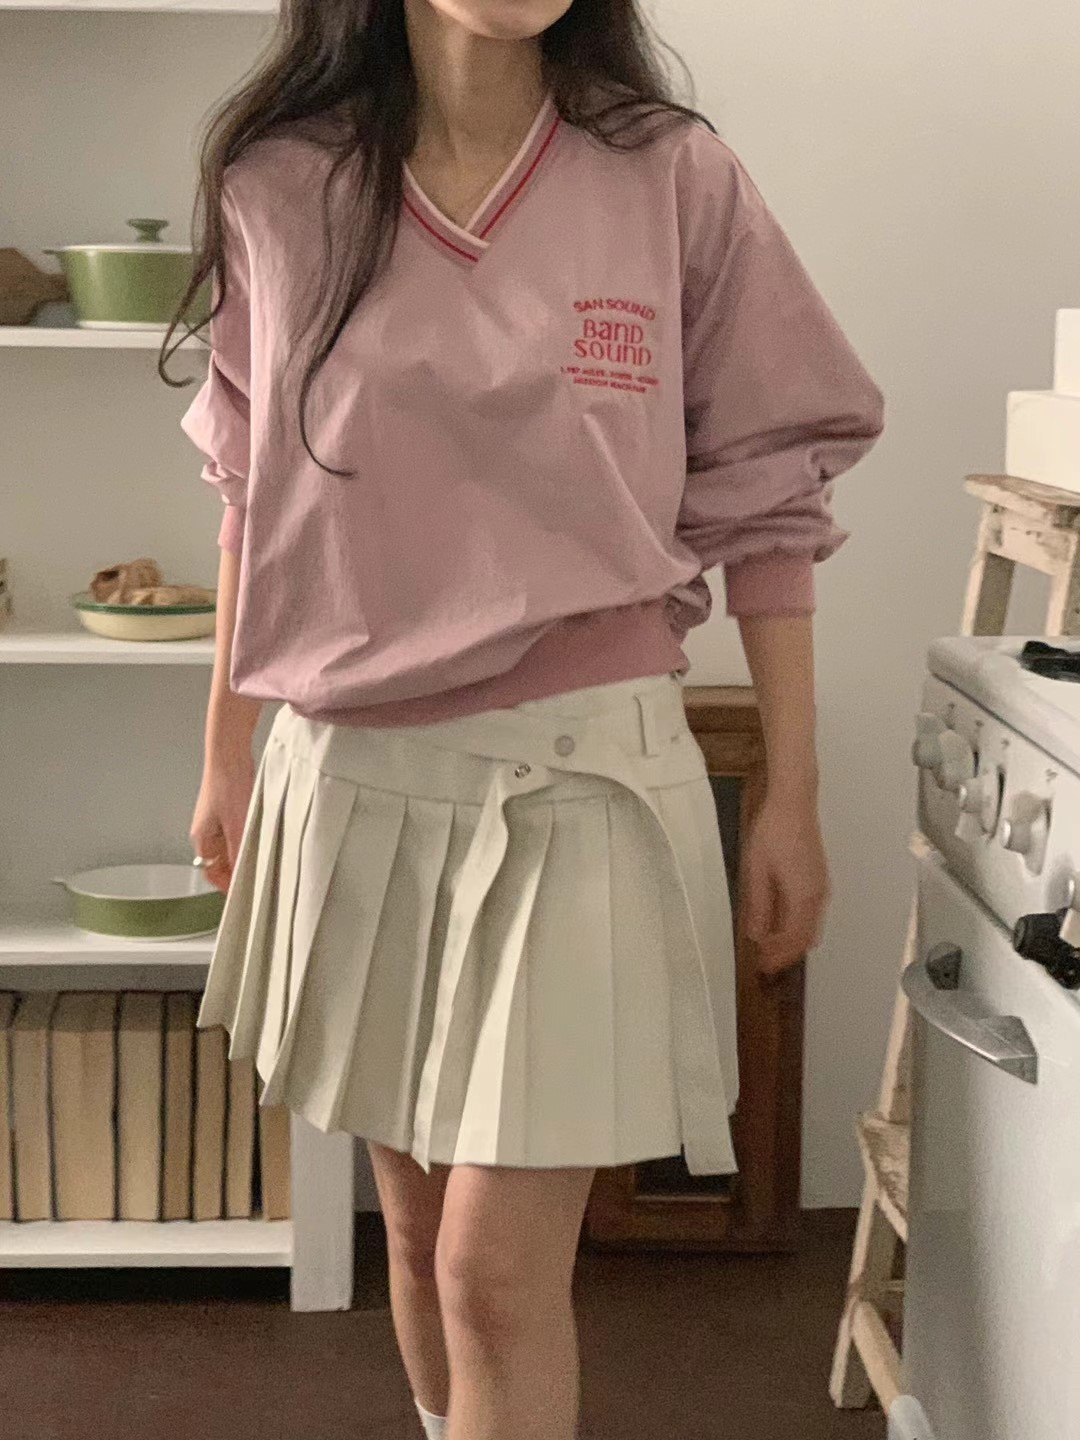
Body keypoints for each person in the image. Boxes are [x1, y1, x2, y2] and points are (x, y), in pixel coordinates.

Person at [169, 1, 885, 1436]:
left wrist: (790, 792)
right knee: (416, 1242)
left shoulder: (671, 176)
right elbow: (254, 493)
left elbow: (769, 497)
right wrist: (225, 755)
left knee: (495, 1276)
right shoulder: (279, 181)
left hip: (585, 780)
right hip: (349, 771)